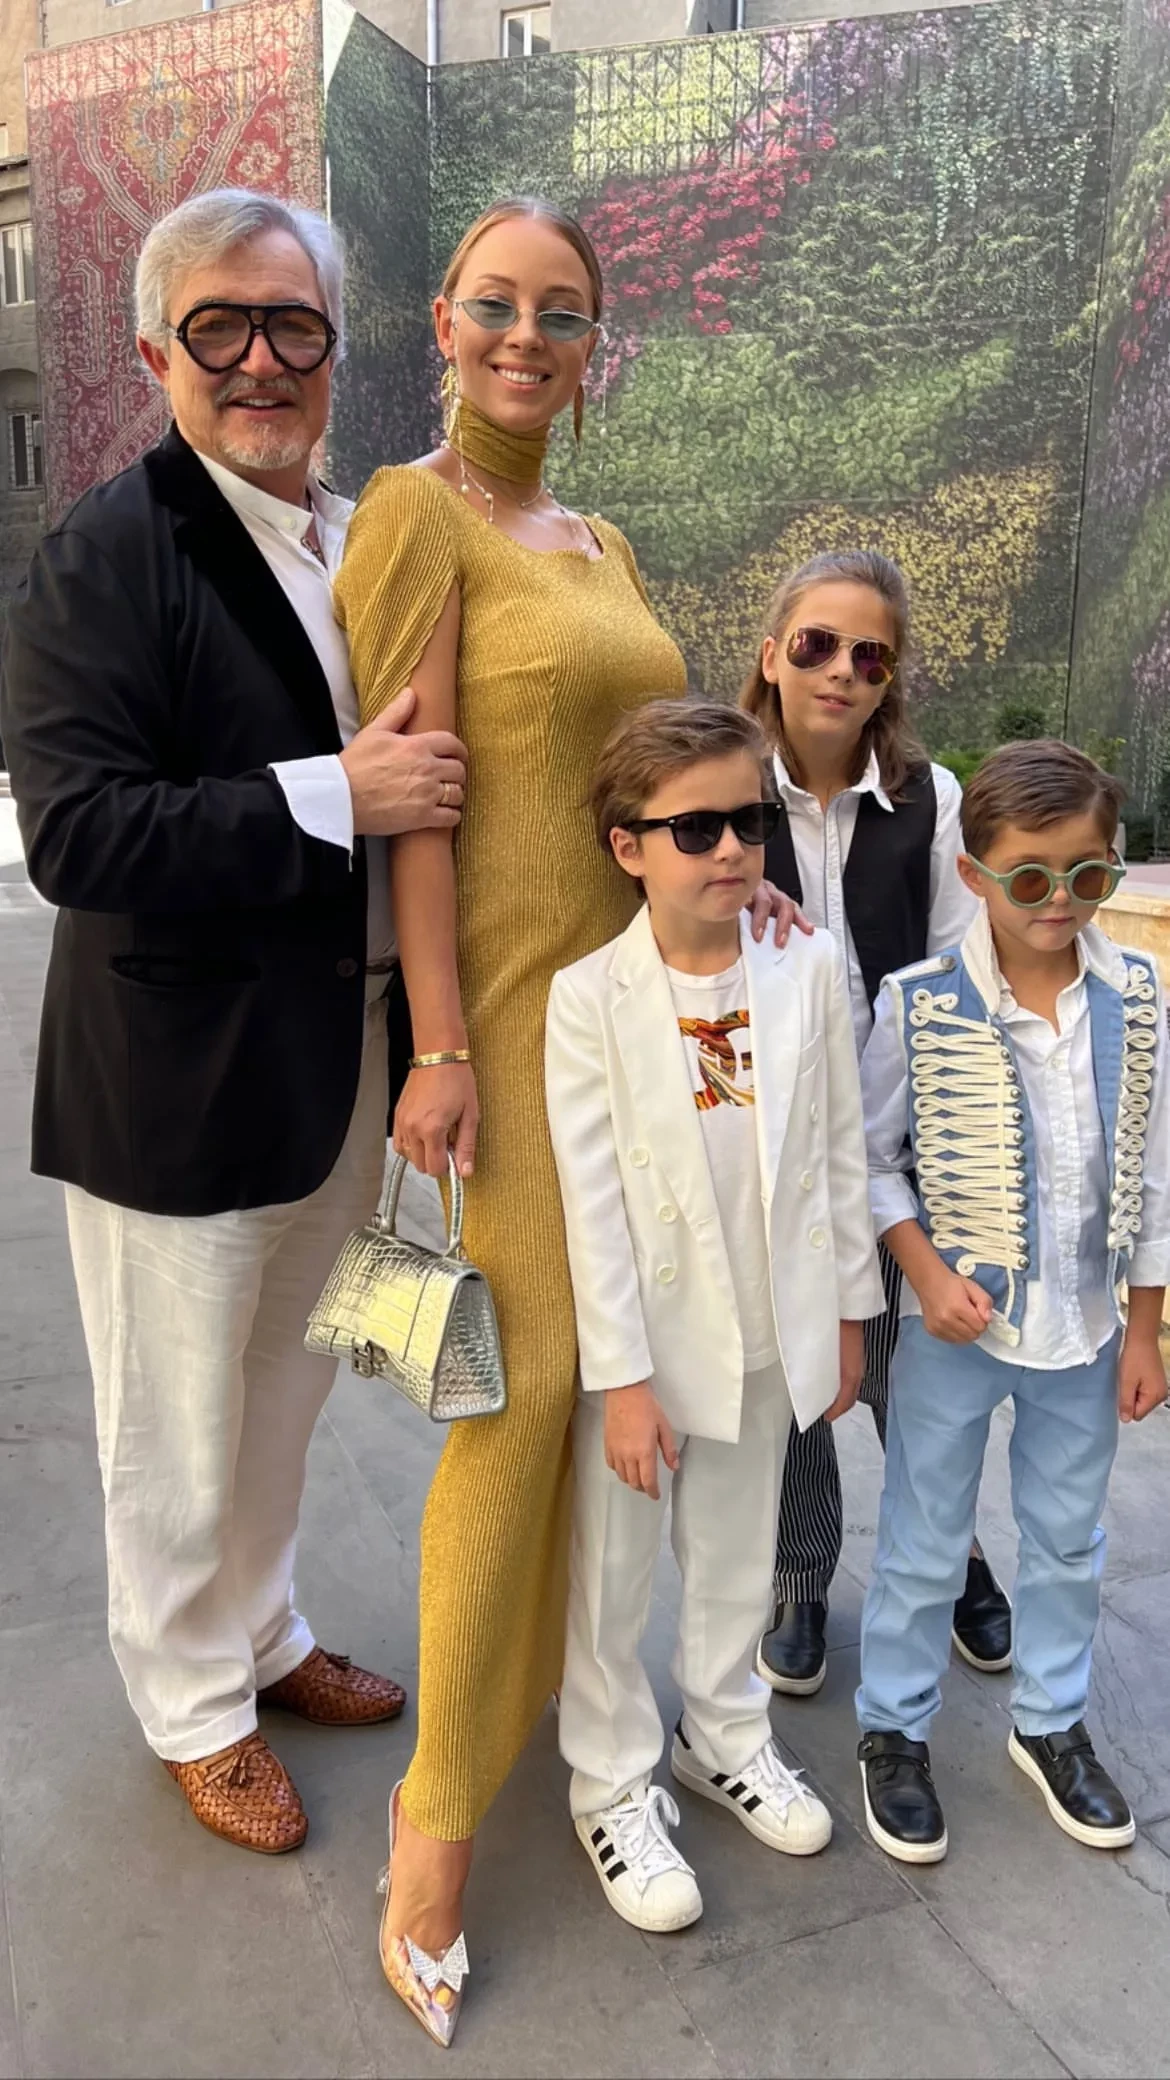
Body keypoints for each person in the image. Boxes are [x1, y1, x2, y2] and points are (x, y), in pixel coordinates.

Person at [333, 197, 803, 2045]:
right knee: (519, 1404)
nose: (528, 336)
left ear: (596, 345)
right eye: (497, 305)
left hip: (635, 1016)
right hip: (506, 1033)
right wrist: (437, 1044)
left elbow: (653, 774)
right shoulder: (413, 513)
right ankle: (434, 1831)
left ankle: (556, 1715)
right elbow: (419, 802)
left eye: (564, 313)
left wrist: (736, 875)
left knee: (634, 1373)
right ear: (446, 321)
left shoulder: (601, 541)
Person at [0, 189, 469, 1855]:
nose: (259, 359)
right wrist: (335, 792)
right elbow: (80, 836)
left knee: (285, 1392)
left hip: (339, 1056)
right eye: (220, 325)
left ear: (336, 351)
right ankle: (193, 1706)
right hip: (176, 1082)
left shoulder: (362, 535)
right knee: (178, 1420)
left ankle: (260, 1635)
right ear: (157, 353)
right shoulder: (109, 555)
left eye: (293, 326)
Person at [545, 701, 885, 1932]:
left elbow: (839, 1149)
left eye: (748, 820)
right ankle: (610, 1779)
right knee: (613, 1572)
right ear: (628, 845)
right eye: (696, 828)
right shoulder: (589, 997)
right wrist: (623, 1379)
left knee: (740, 1551)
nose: (732, 847)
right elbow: (592, 1203)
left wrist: (848, 1314)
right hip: (650, 1341)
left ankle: (725, 1733)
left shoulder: (806, 963)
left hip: (770, 1322)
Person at [856, 739, 1169, 1863]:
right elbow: (871, 1160)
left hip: (1084, 1328)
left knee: (1069, 1539)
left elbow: (1155, 1171)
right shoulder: (917, 1001)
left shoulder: (1138, 994)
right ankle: (894, 1728)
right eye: (1030, 875)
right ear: (974, 871)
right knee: (924, 1539)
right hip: (957, 1326)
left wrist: (1145, 1329)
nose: (1059, 900)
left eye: (1089, 873)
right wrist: (924, 1272)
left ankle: (1050, 1720)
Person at [740, 551, 1012, 1697]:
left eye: (871, 655)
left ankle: (953, 1553)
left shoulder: (928, 796)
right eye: (817, 644)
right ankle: (801, 1573)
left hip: (906, 1129)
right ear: (773, 653)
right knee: (802, 1369)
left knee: (919, 1372)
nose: (842, 670)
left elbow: (960, 971)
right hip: (772, 1136)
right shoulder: (724, 789)